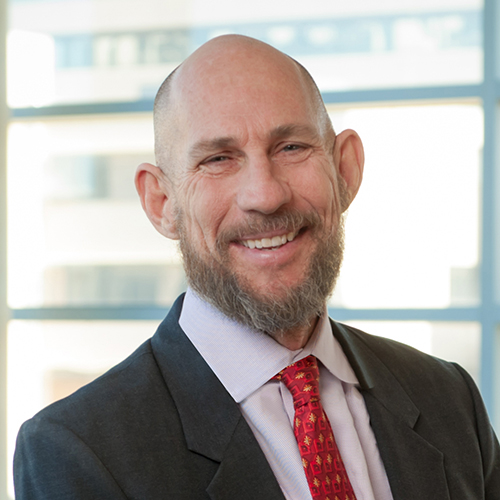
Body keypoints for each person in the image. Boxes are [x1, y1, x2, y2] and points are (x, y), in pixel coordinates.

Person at [14, 35, 500, 500]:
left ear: (345, 169)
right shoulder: (79, 450)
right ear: (162, 203)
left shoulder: (449, 399)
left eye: (291, 147)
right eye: (218, 159)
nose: (265, 195)